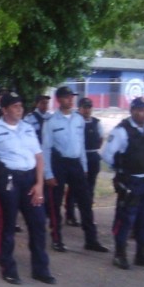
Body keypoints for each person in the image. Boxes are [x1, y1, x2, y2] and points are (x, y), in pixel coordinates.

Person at [0, 92, 55, 285]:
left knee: (37, 223)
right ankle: (8, 267)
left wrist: (39, 185)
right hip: (8, 180)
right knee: (7, 224)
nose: (20, 109)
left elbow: (39, 157)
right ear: (4, 110)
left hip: (30, 179)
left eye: (21, 106)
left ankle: (40, 269)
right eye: (15, 106)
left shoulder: (27, 128)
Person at [42, 87, 109, 254]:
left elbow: (81, 145)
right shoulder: (51, 122)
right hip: (59, 164)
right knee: (55, 202)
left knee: (86, 202)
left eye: (72, 97)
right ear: (58, 100)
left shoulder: (78, 119)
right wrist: (48, 173)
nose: (70, 100)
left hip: (76, 164)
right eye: (66, 98)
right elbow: (46, 149)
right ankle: (56, 239)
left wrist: (84, 168)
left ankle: (91, 239)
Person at [101, 97, 144, 270]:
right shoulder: (121, 131)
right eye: (142, 110)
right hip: (131, 182)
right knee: (125, 218)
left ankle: (142, 253)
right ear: (133, 111)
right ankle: (120, 254)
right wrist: (121, 171)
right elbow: (107, 155)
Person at [64, 97, 104, 227]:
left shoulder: (96, 122)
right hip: (78, 158)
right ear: (79, 108)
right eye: (85, 107)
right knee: (74, 189)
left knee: (90, 188)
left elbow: (100, 139)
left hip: (92, 156)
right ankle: (70, 215)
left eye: (89, 107)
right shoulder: (74, 121)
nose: (87, 110)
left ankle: (87, 216)